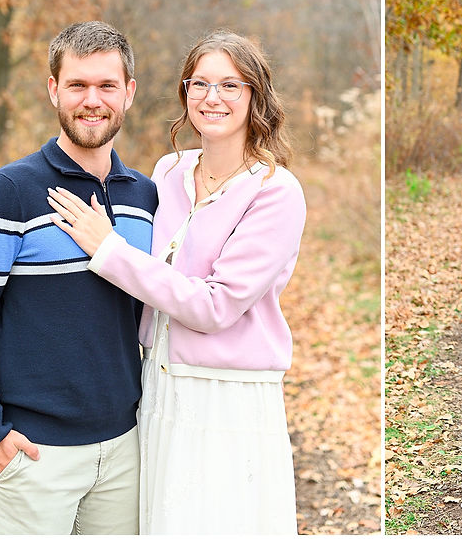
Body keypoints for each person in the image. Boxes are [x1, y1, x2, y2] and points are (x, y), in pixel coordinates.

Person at [46, 29, 306, 534]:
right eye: (200, 83)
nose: (213, 98)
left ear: (256, 96)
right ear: (185, 93)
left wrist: (108, 251)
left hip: (226, 394)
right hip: (158, 386)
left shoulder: (275, 192)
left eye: (231, 86)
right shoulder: (168, 171)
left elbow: (215, 308)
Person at [0, 21, 157, 534]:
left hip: (127, 448)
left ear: (128, 93)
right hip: (33, 453)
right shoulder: (7, 191)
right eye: (78, 84)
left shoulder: (145, 197)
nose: (93, 100)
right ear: (53, 89)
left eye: (107, 85)